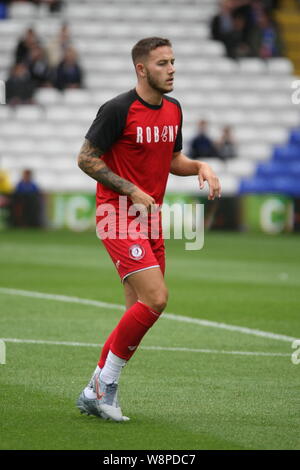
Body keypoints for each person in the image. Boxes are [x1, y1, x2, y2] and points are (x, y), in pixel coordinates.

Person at [76, 37, 221, 422]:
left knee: (138, 312)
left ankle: (94, 390)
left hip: (150, 219)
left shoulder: (173, 109)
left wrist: (200, 167)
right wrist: (130, 189)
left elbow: (173, 159)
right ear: (141, 69)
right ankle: (106, 387)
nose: (171, 68)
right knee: (156, 298)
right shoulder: (118, 109)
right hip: (117, 213)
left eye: (173, 61)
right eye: (162, 63)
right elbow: (85, 159)